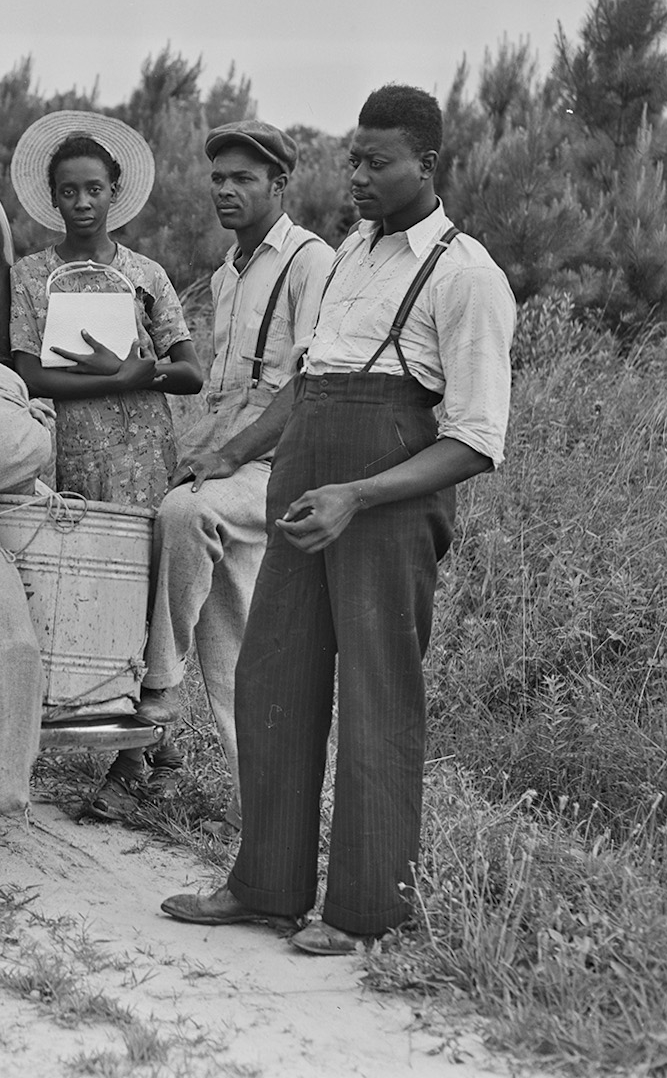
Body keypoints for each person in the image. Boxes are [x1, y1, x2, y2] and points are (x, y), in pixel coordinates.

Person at [162, 85, 516, 954]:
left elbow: (474, 440)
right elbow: (310, 383)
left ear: (426, 165)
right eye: (351, 157)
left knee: (375, 697)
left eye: (376, 161)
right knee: (271, 681)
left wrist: (359, 495)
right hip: (304, 494)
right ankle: (268, 885)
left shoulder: (467, 276)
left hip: (384, 510)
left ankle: (366, 912)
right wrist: (235, 453)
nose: (354, 175)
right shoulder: (353, 251)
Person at [6, 112, 204, 820]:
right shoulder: (32, 276)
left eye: (93, 189)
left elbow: (188, 372)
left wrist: (137, 372)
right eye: (68, 191)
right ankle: (77, 723)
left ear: (115, 192)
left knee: (146, 594)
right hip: (64, 454)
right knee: (74, 588)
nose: (82, 202)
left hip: (143, 455)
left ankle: (143, 757)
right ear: (52, 199)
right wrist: (121, 377)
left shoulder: (145, 275)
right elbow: (29, 374)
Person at [144, 121, 330, 839]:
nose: (225, 189)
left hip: (280, 467)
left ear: (280, 185)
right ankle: (274, 825)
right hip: (234, 458)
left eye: (243, 178)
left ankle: (159, 682)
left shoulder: (311, 262)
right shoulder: (229, 271)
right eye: (217, 176)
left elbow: (307, 384)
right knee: (239, 655)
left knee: (184, 517)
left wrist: (225, 458)